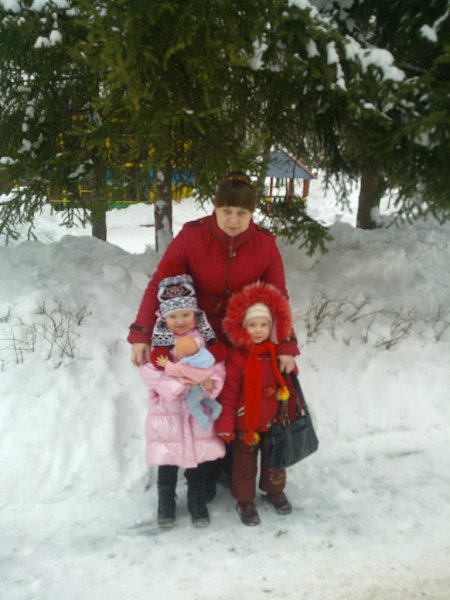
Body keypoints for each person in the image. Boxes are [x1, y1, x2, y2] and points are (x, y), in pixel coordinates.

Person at [128, 172, 299, 492]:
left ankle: (232, 467)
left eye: (242, 213)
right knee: (202, 396)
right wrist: (141, 333)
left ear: (252, 214)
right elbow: (160, 284)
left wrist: (287, 344)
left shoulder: (264, 244)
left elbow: (278, 296)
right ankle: (203, 474)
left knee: (236, 398)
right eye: (226, 211)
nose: (234, 220)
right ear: (215, 208)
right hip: (198, 337)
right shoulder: (192, 237)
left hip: (240, 336)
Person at [139, 272, 226, 528]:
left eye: (185, 315)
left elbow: (218, 367)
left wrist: (210, 384)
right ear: (164, 317)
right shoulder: (159, 341)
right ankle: (165, 502)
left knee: (197, 461)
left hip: (196, 411)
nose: (179, 321)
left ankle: (197, 502)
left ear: (195, 314)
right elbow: (149, 371)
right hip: (167, 412)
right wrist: (177, 386)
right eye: (173, 317)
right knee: (167, 460)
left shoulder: (205, 339)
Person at [214, 282, 300, 526]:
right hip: (246, 423)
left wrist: (292, 411)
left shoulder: (277, 353)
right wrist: (225, 424)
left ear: (272, 327)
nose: (258, 330)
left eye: (264, 325)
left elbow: (290, 386)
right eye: (252, 325)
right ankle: (244, 500)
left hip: (274, 420)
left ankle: (274, 491)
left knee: (275, 460)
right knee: (244, 464)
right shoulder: (237, 356)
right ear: (243, 327)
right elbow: (229, 394)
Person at [157, 335, 222, 430]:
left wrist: (166, 364)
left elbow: (176, 370)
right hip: (204, 386)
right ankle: (216, 407)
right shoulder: (204, 357)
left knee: (193, 406)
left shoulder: (186, 365)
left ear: (181, 356)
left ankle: (203, 419)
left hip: (195, 389)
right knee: (204, 398)